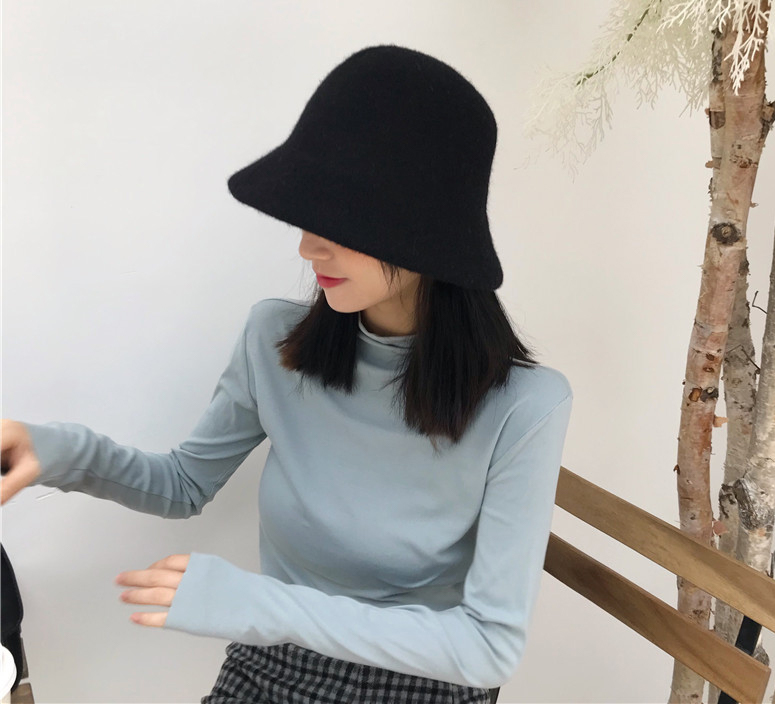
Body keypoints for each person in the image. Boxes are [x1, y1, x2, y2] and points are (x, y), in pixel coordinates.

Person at [0, 44, 574, 704]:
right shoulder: (275, 340)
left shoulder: (525, 406)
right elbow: (183, 483)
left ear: (428, 231)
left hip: (426, 682)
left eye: (341, 221)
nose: (307, 246)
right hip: (277, 661)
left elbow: (488, 647)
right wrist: (58, 451)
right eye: (308, 215)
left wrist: (262, 606)